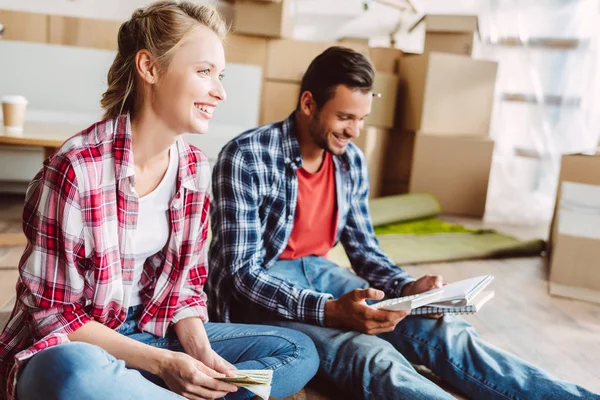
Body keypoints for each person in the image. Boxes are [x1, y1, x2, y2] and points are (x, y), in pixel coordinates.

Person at [207, 46, 600, 400]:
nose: (354, 131)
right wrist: (331, 311)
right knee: (371, 356)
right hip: (262, 292)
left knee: (445, 333)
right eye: (344, 117)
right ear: (308, 103)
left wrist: (408, 288)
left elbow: (363, 249)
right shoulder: (246, 156)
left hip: (321, 272)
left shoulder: (350, 161)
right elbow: (242, 275)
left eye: (361, 119)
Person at [0, 2, 319, 400]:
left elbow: (184, 289)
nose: (219, 91)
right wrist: (163, 364)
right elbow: (53, 316)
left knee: (297, 351)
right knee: (74, 374)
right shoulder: (75, 170)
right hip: (76, 345)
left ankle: (140, 391)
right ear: (149, 67)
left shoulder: (195, 169)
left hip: (148, 332)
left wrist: (200, 354)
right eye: (204, 72)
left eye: (220, 75)